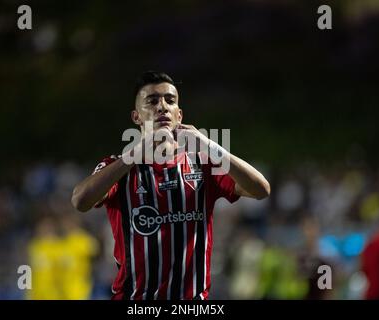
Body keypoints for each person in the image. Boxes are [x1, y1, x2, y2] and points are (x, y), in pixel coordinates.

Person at [71, 71, 270, 300]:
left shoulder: (202, 163)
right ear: (136, 117)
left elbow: (261, 189)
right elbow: (80, 200)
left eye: (170, 100)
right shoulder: (117, 168)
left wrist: (210, 145)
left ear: (179, 114)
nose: (162, 107)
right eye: (152, 101)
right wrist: (136, 153)